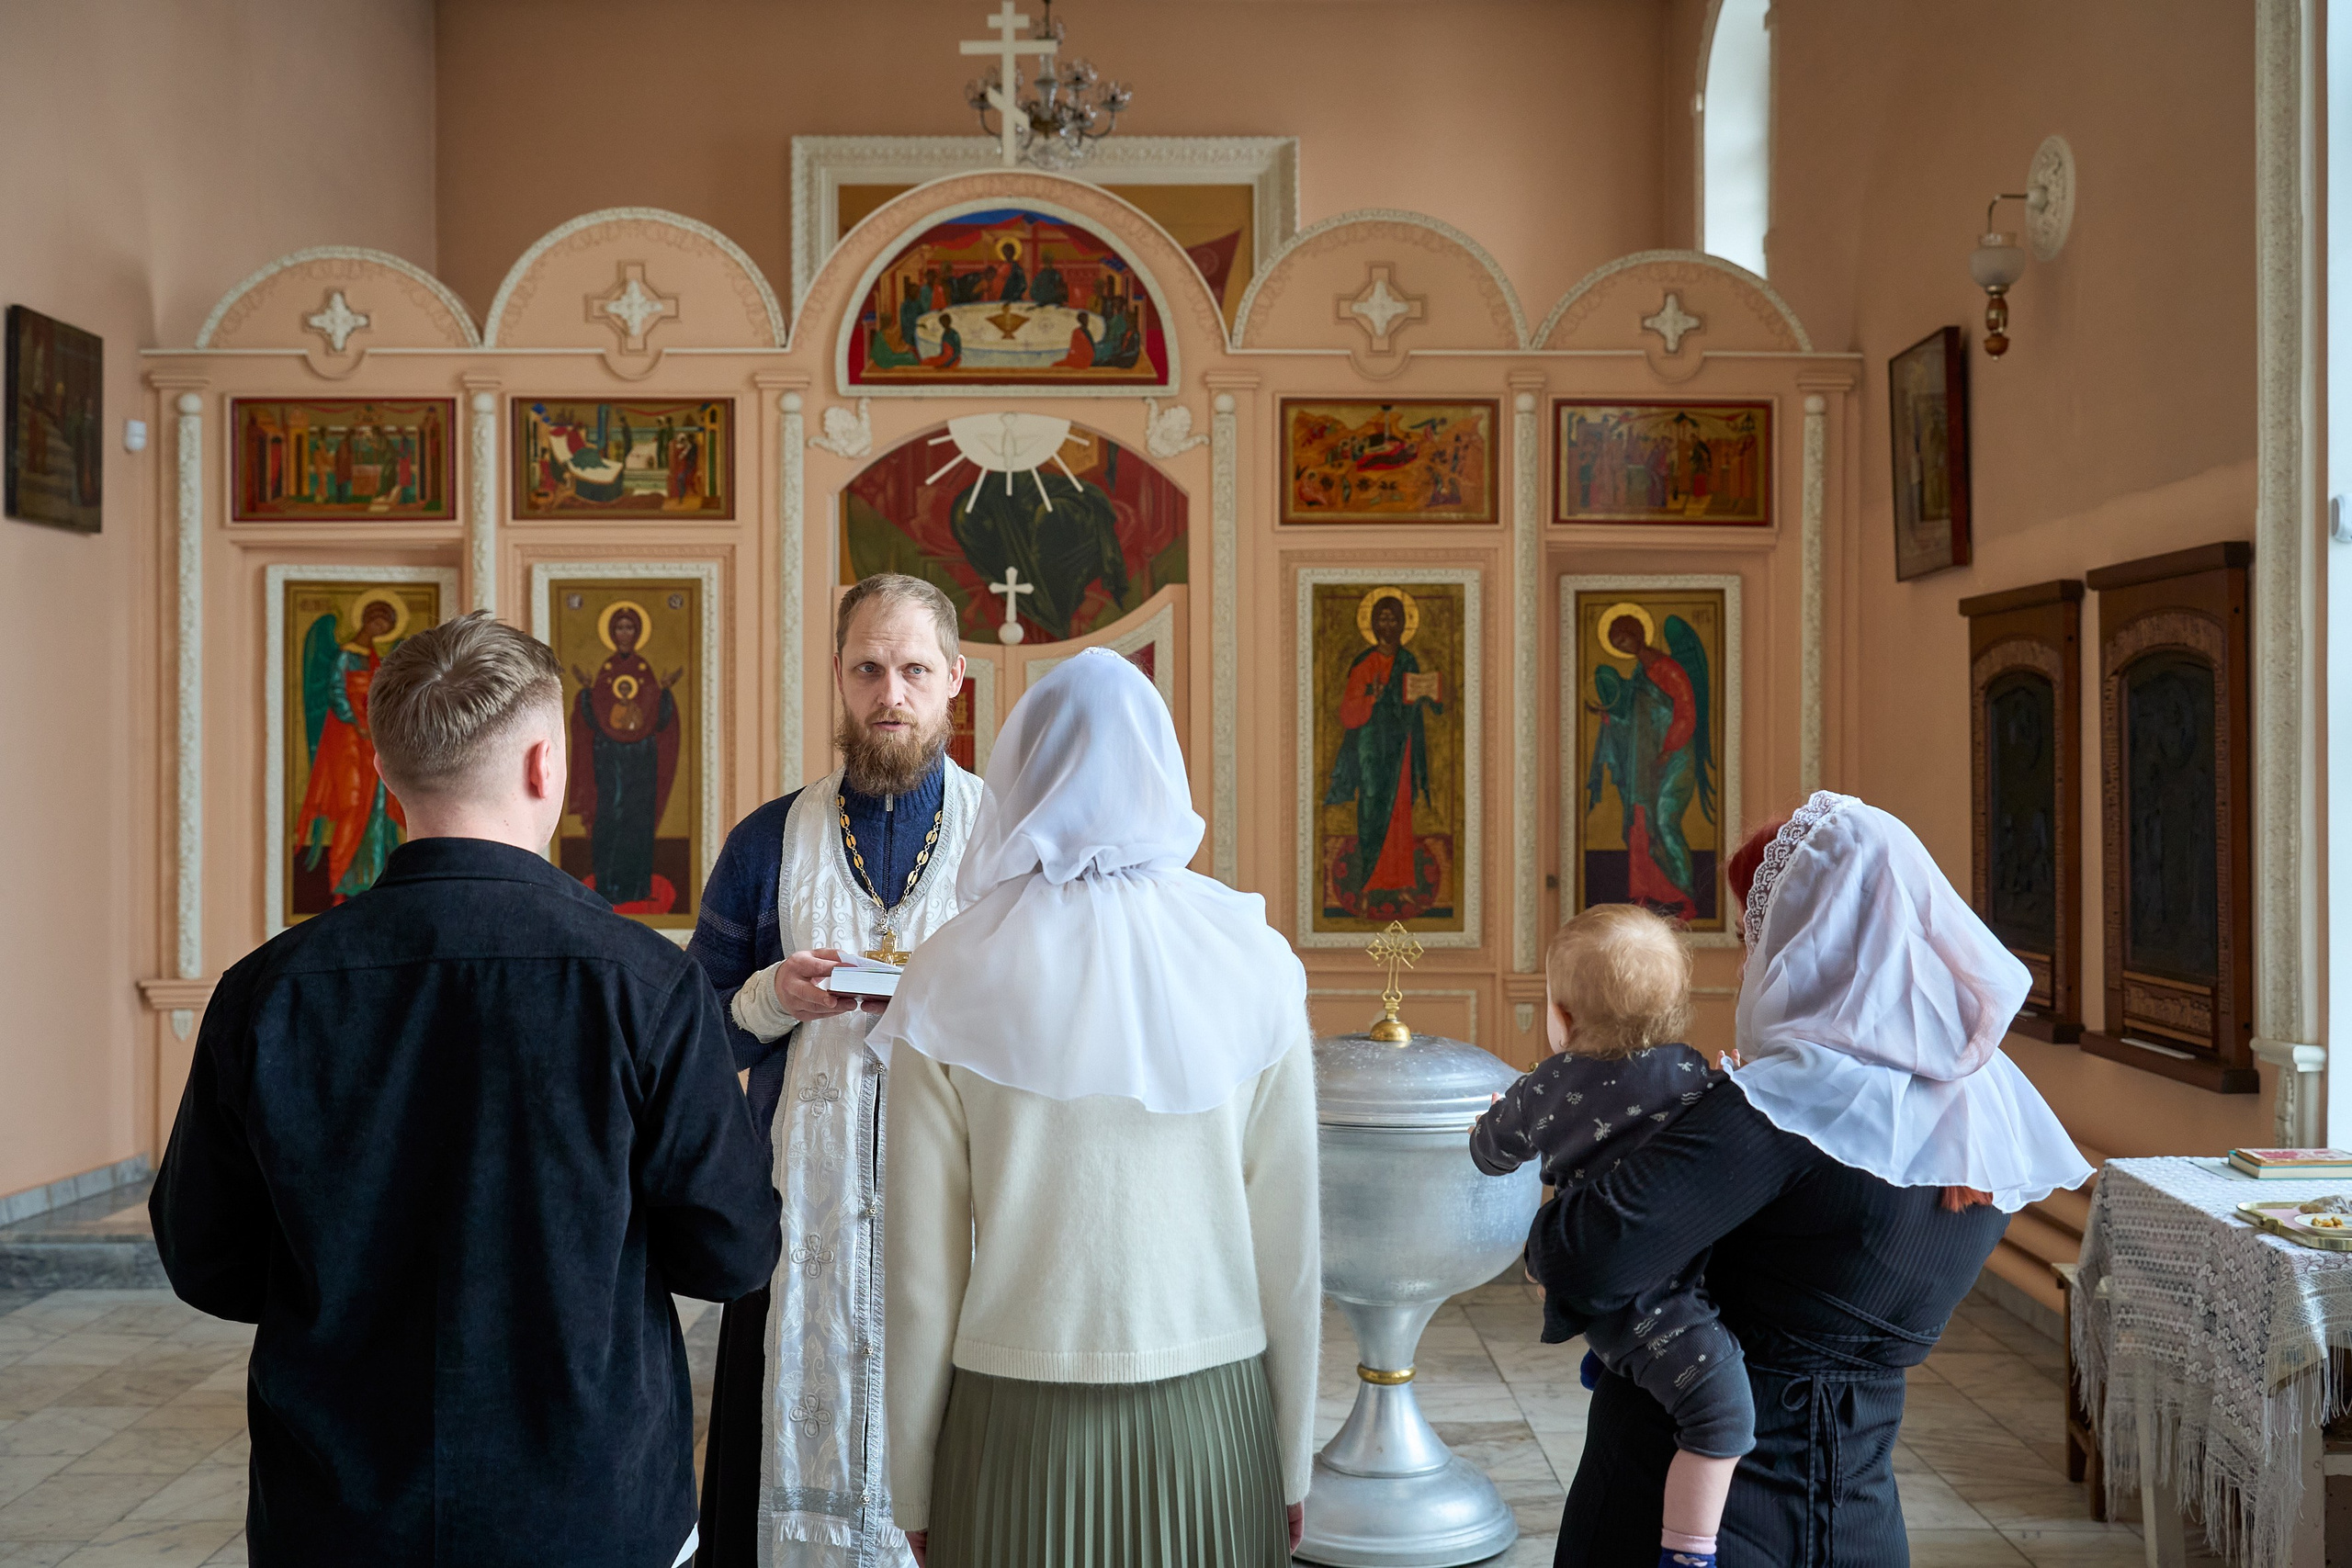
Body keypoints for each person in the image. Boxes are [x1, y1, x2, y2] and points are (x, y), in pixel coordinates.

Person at [149, 611, 780, 1567]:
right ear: (545, 766)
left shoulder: (267, 992)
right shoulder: (644, 984)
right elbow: (732, 1251)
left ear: (390, 774)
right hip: (589, 1509)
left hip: (339, 1507)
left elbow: (207, 1258)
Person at [1532, 791, 2093, 1566]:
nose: (1753, 959)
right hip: (1860, 1520)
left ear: (1812, 933)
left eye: (1755, 933)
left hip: (1687, 1517)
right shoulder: (1986, 1105)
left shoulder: (1788, 1107)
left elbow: (1578, 1255)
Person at [876, 649, 1321, 1568]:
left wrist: (912, 1483)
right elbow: (1294, 1251)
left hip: (1011, 1426)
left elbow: (919, 1275)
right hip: (1216, 1422)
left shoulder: (950, 972)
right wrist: (1290, 1465)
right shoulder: (1254, 960)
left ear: (1021, 771)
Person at [688, 573, 983, 1568]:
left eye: (911, 669)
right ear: (838, 677)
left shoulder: (1009, 843)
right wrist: (776, 995)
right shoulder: (765, 842)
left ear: (955, 681)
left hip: (963, 1220)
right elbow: (696, 1041)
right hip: (793, 1217)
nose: (888, 693)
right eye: (867, 668)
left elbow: (1061, 1036)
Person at [1469, 903, 1740, 1568]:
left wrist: (1490, 1125)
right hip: (1660, 1290)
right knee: (1726, 1415)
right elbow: (1730, 1128)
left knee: (1696, 1401)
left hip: (1617, 1282)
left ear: (1560, 1016)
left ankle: (1615, 1362)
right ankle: (1690, 1549)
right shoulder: (1687, 1073)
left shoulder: (1544, 1087)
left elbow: (1490, 1152)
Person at [569, 602, 684, 908]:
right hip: (609, 759)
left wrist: (666, 693)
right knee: (610, 815)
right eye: (619, 627)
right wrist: (585, 693)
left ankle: (635, 886)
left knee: (638, 819)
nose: (624, 633)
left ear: (636, 632)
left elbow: (659, 722)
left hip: (641, 759)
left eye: (629, 627)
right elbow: (593, 721)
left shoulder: (645, 673)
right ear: (612, 632)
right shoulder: (605, 674)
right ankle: (608, 884)